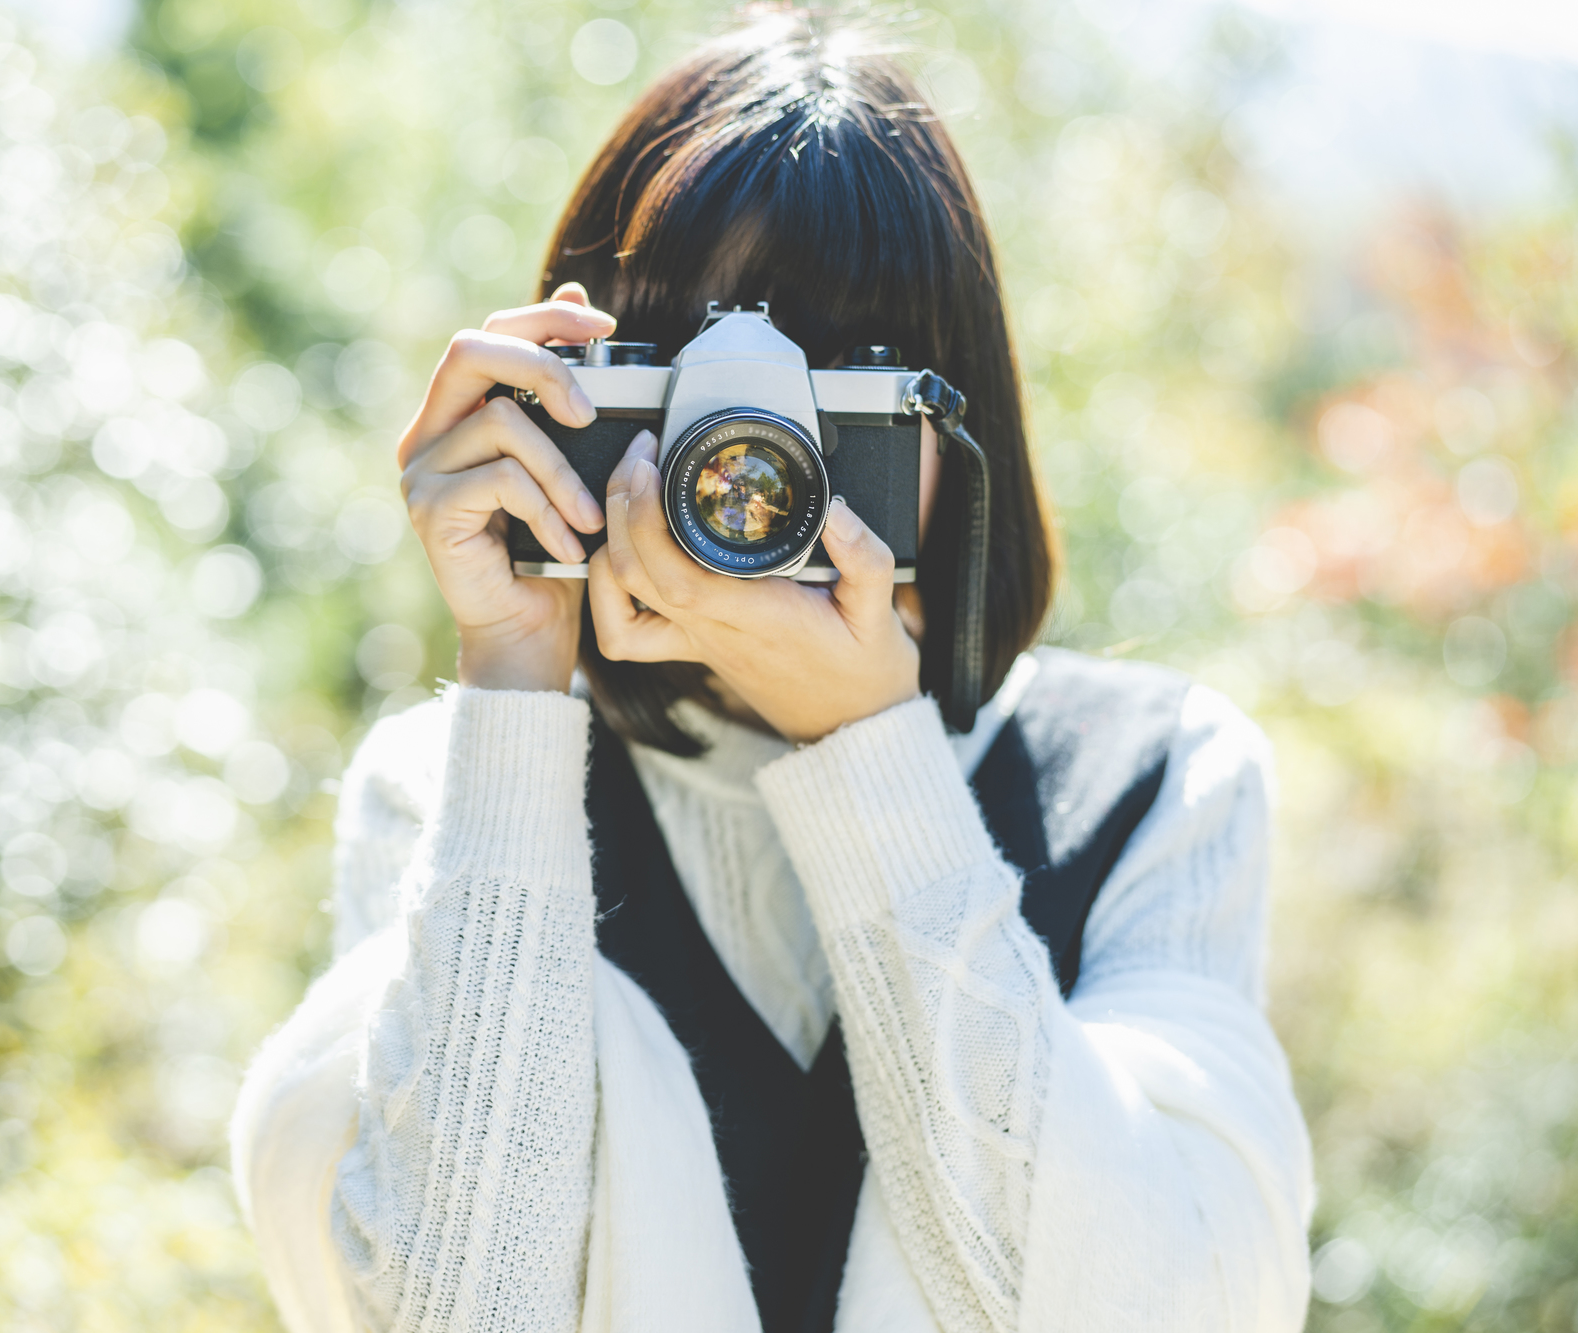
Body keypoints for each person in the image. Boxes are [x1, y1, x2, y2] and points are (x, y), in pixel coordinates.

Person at [230, 12, 1313, 1333]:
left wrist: (870, 748)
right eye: (686, 375)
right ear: (578, 388)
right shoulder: (446, 784)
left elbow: (1134, 1305)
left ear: (946, 410)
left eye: (843, 370)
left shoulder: (1151, 780)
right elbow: (451, 1309)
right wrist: (512, 676)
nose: (751, 454)